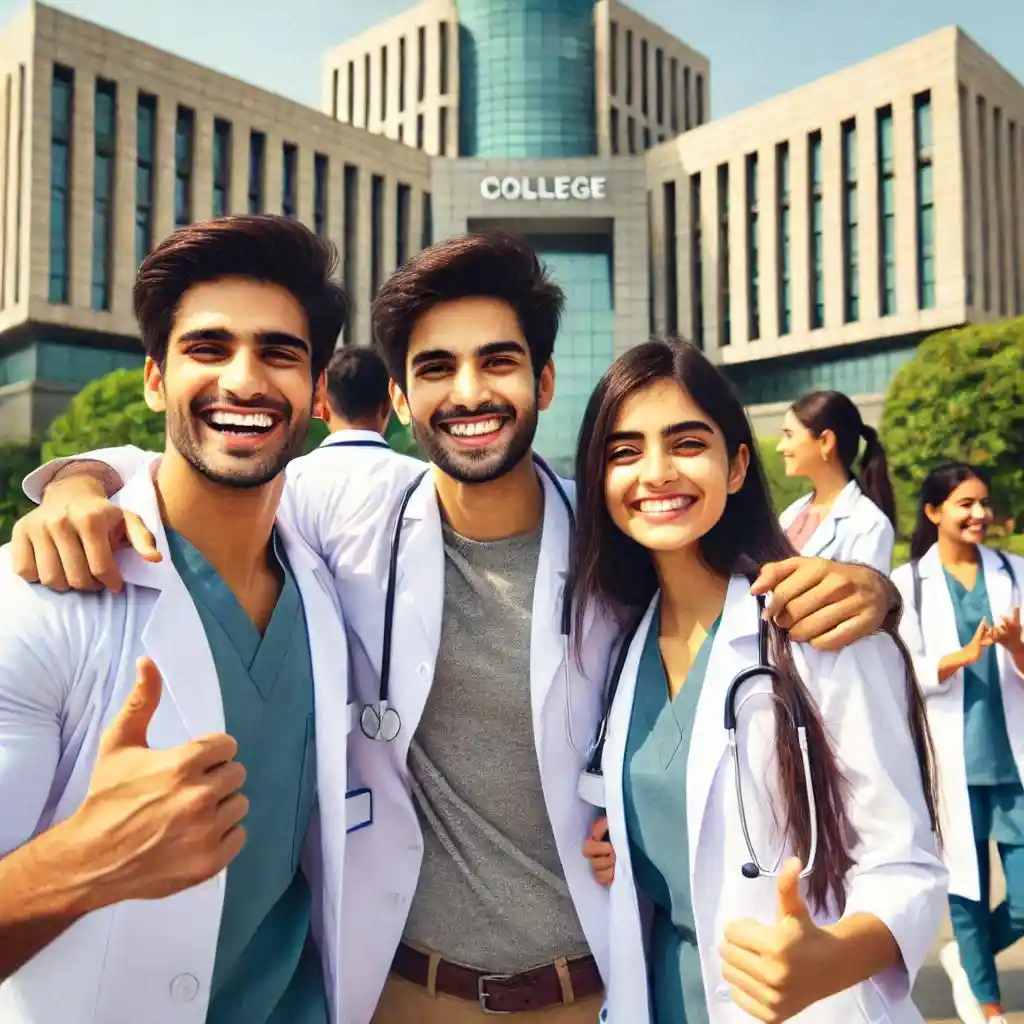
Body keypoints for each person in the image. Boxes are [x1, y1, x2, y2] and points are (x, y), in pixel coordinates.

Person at [9, 233, 903, 1024]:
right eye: (436, 368)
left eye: (500, 363)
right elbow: (215, 464)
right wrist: (81, 482)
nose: (469, 392)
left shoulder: (612, 547)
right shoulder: (347, 512)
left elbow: (709, 570)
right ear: (395, 398)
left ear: (544, 381)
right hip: (401, 993)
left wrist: (877, 589)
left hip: (589, 988)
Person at [0, 216, 364, 1023]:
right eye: (207, 350)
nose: (244, 380)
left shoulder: (331, 578)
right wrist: (83, 860)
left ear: (317, 390)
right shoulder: (37, 599)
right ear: (154, 380)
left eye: (279, 352)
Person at [576, 339, 946, 1023]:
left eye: (686, 443)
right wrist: (623, 842)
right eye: (625, 452)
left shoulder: (818, 629)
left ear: (738, 464)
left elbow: (906, 866)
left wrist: (832, 958)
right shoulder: (617, 637)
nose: (655, 472)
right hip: (658, 995)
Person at [892, 464, 1024, 1024]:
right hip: (951, 759)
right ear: (934, 512)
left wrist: (1016, 646)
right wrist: (957, 659)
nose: (979, 513)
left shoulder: (1016, 573)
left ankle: (969, 964)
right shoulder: (908, 584)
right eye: (965, 503)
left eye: (984, 503)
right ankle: (988, 1006)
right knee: (965, 889)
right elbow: (899, 671)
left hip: (1012, 758)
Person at [776, 390, 897, 573]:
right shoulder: (790, 515)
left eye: (789, 435)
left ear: (825, 441)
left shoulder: (869, 525)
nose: (781, 446)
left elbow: (865, 598)